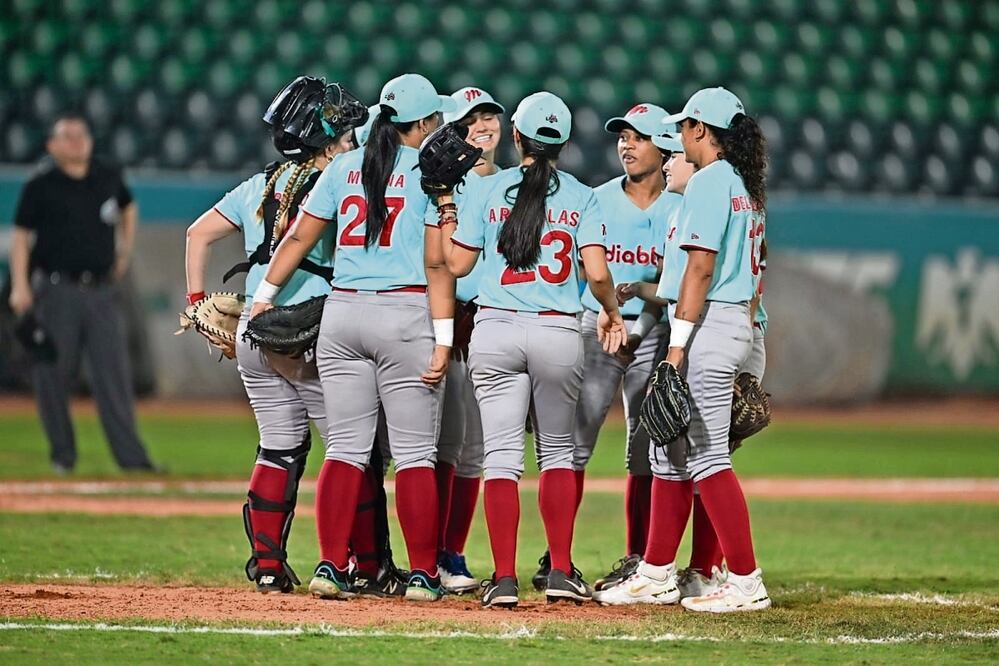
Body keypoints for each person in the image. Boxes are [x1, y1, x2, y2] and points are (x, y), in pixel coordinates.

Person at [184, 77, 406, 596]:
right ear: (323, 137)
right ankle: (367, 565)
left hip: (255, 330)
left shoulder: (260, 183)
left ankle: (266, 565)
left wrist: (197, 305)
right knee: (356, 452)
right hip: (309, 330)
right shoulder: (341, 180)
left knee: (278, 448)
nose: (352, 138)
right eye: (344, 131)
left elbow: (197, 234)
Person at [250, 73, 457, 603]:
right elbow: (439, 264)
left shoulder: (344, 164)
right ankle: (423, 575)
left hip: (344, 313)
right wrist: (442, 336)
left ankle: (328, 566)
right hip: (405, 312)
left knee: (344, 449)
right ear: (426, 123)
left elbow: (299, 234)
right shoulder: (430, 173)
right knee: (413, 456)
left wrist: (264, 296)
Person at [441, 91, 627, 608]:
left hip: (496, 329)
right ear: (563, 144)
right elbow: (595, 272)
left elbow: (456, 267)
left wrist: (445, 207)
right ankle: (561, 572)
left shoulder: (488, 189)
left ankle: (503, 580)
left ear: (517, 135)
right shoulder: (583, 196)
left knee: (500, 459)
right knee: (557, 454)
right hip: (557, 332)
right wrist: (610, 309)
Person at [594, 87, 772, 613]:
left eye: (684, 128)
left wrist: (675, 351)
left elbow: (699, 268)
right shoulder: (744, 183)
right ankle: (655, 572)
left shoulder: (712, 182)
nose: (679, 138)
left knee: (707, 457)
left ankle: (744, 580)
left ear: (700, 129)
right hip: (733, 321)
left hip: (709, 327)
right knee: (667, 453)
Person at [533, 103, 680, 593]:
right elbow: (578, 270)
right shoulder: (595, 198)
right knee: (575, 443)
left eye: (638, 137)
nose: (626, 144)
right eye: (623, 136)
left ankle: (642, 558)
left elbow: (674, 283)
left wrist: (639, 305)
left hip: (652, 332)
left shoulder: (678, 206)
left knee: (648, 445)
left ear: (663, 147)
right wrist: (601, 309)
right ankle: (558, 559)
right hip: (594, 329)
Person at [8, 113, 158, 474]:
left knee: (114, 375)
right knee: (52, 373)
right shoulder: (41, 185)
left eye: (81, 135)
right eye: (67, 136)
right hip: (57, 289)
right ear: (52, 145)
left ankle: (132, 461)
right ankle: (63, 455)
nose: (76, 142)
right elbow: (21, 238)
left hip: (101, 290)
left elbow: (129, 206)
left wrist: (124, 250)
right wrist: (20, 284)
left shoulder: (106, 176)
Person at [434, 86, 505, 594]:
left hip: (496, 321)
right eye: (472, 118)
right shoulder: (442, 184)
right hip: (447, 319)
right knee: (440, 442)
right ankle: (425, 550)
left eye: (490, 117)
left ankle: (452, 553)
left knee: (475, 448)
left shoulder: (514, 185)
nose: (483, 125)